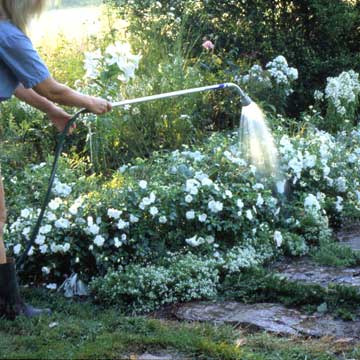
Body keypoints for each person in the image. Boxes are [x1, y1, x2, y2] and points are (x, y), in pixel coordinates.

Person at [0, 0, 112, 320]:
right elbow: (51, 88)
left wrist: (51, 111)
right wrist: (89, 101)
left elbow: (20, 83)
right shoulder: (7, 34)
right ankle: (9, 305)